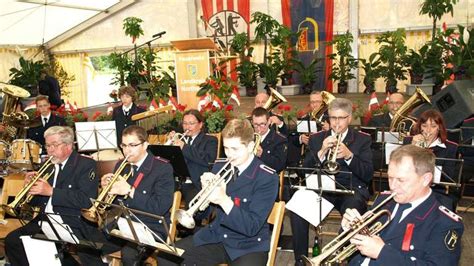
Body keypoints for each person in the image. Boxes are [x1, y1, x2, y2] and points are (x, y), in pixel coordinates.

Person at [157, 118, 279, 265]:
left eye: (235, 149)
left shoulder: (266, 176)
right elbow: (204, 215)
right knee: (166, 258)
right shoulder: (220, 166)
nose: (229, 155)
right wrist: (204, 193)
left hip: (248, 245)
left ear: (250, 146)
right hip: (217, 236)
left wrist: (223, 200)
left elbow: (251, 227)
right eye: (226, 148)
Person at [345, 145, 463, 265]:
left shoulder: (444, 222)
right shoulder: (383, 200)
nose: (393, 186)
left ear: (426, 179)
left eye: (401, 180)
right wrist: (351, 230)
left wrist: (382, 252)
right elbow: (355, 248)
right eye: (390, 178)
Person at [290, 98, 373, 265]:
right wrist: (321, 151)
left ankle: (342, 259)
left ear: (349, 118)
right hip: (323, 190)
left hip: (351, 191)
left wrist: (350, 156)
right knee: (296, 209)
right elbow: (304, 171)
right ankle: (300, 261)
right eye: (332, 118)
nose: (336, 122)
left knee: (353, 213)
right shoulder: (317, 138)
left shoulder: (362, 139)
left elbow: (367, 174)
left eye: (341, 118)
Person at [5, 126, 100, 265]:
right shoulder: (48, 165)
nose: (49, 150)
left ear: (68, 146)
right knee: (13, 240)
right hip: (45, 219)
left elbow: (86, 201)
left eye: (54, 145)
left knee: (50, 250)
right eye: (47, 145)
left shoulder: (85, 164)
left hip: (71, 222)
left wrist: (51, 191)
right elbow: (37, 202)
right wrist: (29, 189)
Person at [91, 125, 175, 265]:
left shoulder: (162, 168)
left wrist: (130, 191)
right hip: (122, 223)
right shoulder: (121, 165)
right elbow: (114, 205)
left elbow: (160, 207)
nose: (126, 150)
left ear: (145, 145)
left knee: (129, 255)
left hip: (150, 226)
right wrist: (107, 191)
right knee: (89, 244)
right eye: (123, 145)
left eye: (132, 145)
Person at [403, 109, 458, 210]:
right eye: (424, 126)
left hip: (436, 190)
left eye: (433, 126)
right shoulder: (409, 141)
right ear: (419, 127)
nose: (428, 130)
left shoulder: (450, 147)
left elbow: (449, 176)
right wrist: (412, 148)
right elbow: (401, 168)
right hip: (410, 187)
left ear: (439, 128)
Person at [168, 109, 218, 209]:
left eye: (191, 123)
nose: (187, 127)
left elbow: (208, 160)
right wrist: (169, 145)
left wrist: (184, 147)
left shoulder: (210, 140)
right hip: (176, 181)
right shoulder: (179, 139)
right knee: (159, 196)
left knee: (193, 208)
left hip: (195, 183)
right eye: (185, 123)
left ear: (200, 125)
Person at [251, 107, 288, 173]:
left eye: (262, 124)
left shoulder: (279, 140)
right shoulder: (249, 138)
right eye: (256, 124)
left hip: (268, 178)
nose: (259, 128)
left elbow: (279, 165)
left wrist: (262, 154)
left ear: (268, 122)